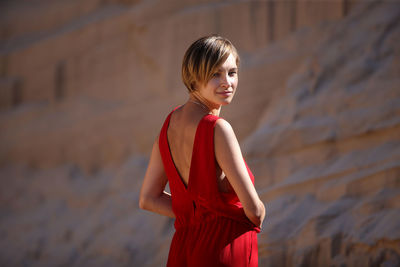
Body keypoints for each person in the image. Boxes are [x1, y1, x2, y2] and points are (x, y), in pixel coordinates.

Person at [139, 35, 266, 266]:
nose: (227, 82)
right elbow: (254, 210)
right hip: (224, 246)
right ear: (193, 78)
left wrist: (196, 217)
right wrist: (253, 214)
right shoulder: (217, 128)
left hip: (183, 249)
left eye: (232, 72)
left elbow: (148, 199)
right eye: (215, 74)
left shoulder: (167, 129)